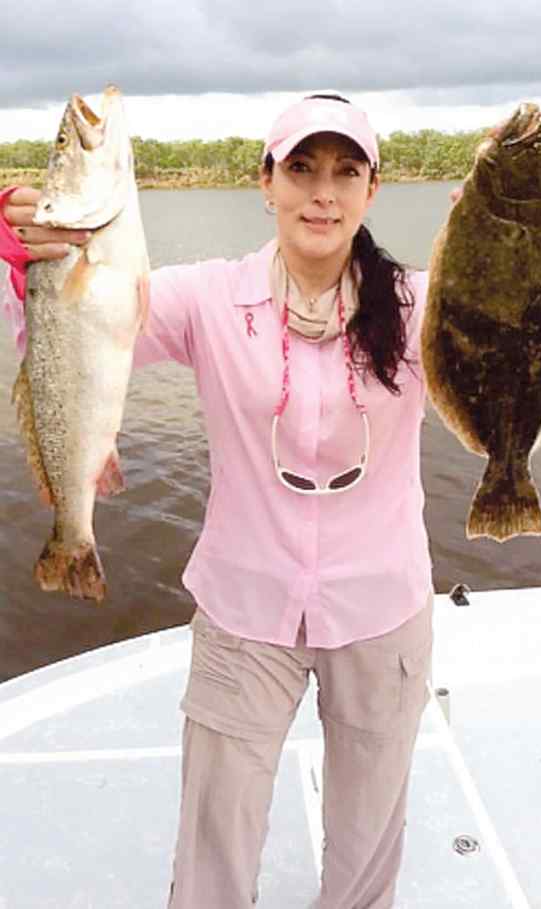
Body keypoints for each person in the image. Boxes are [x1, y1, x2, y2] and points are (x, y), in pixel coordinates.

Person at [1, 93, 439, 909]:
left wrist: (503, 222)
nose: (323, 192)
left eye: (347, 172)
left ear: (373, 192)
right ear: (264, 182)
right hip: (245, 608)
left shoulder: (419, 307)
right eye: (301, 168)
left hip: (383, 607)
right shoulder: (204, 296)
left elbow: (516, 329)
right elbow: (66, 330)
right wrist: (23, 250)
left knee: (370, 836)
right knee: (214, 839)